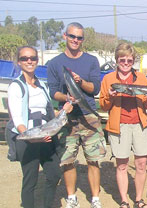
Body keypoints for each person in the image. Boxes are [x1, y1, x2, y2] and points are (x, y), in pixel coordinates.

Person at [47, 22, 107, 208]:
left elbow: (95, 88)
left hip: (89, 115)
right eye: (72, 36)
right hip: (67, 117)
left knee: (93, 159)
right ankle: (71, 197)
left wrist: (80, 82)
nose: (75, 40)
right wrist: (66, 97)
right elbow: (53, 91)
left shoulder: (91, 61)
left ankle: (95, 199)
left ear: (83, 40)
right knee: (68, 160)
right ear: (65, 36)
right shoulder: (55, 63)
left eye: (79, 37)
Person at [6, 46, 73, 208]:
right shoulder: (16, 87)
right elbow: (18, 120)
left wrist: (63, 111)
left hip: (46, 137)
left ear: (37, 60)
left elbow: (48, 112)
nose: (29, 61)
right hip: (28, 139)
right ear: (19, 62)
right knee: (30, 181)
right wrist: (32, 138)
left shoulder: (42, 85)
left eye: (33, 58)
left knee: (54, 174)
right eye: (24, 58)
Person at [99, 43, 147, 208]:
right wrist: (110, 97)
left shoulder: (141, 78)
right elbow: (103, 106)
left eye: (129, 60)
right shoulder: (108, 79)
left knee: (141, 164)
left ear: (133, 61)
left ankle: (139, 199)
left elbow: (146, 105)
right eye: (122, 59)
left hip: (140, 125)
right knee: (122, 165)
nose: (125, 63)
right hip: (119, 127)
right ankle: (124, 201)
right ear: (116, 60)